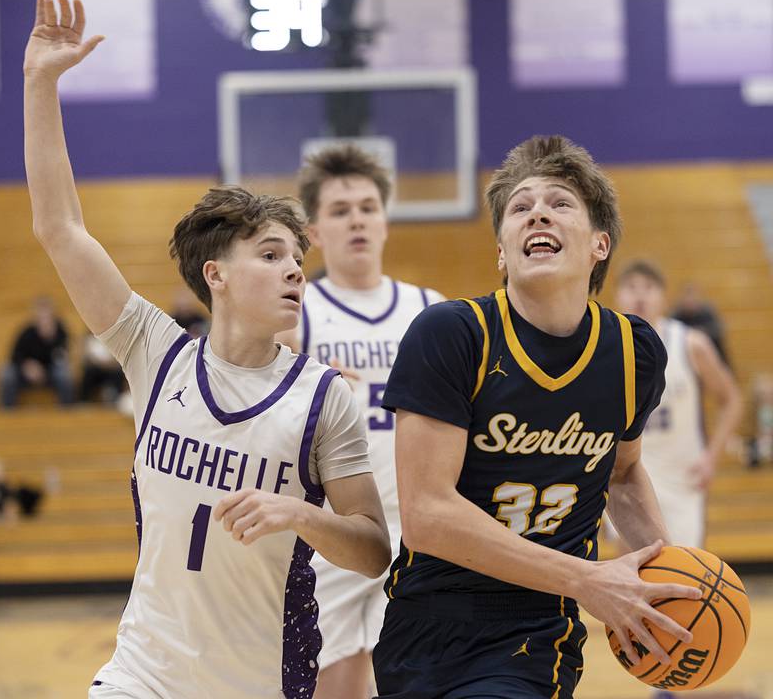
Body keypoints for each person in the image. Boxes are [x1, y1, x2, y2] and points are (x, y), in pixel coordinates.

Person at [24, 0, 390, 699]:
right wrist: (42, 84)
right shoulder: (153, 351)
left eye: (297, 258)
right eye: (272, 254)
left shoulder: (323, 398)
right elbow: (61, 228)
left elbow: (373, 549)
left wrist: (302, 514)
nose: (294, 269)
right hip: (142, 674)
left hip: (260, 681)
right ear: (216, 275)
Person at [372, 136, 703, 698]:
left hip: (535, 628)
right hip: (428, 619)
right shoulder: (453, 334)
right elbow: (427, 512)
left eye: (560, 203)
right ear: (501, 251)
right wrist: (589, 579)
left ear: (600, 245)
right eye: (520, 208)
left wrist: (667, 586)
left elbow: (621, 474)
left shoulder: (632, 353)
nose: (537, 213)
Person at [278, 145, 443, 699]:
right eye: (341, 209)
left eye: (368, 207)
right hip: (339, 531)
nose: (357, 219)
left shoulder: (431, 310)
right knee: (335, 686)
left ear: (386, 220)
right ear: (315, 231)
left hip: (424, 529)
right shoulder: (295, 312)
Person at [616, 260, 742, 547]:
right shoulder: (606, 344)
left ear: (663, 297)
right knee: (631, 569)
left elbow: (732, 399)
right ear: (618, 295)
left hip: (682, 475)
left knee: (688, 572)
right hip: (628, 472)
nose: (640, 295)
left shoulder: (690, 343)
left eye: (648, 288)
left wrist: (712, 456)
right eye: (632, 287)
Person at [0, 296, 75, 408]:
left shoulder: (60, 331)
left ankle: (67, 411)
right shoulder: (26, 332)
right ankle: (7, 413)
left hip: (50, 372)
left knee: (63, 374)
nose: (44, 318)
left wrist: (51, 340)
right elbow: (14, 355)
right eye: (41, 314)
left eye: (47, 314)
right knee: (7, 373)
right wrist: (27, 366)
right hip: (27, 373)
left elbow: (63, 356)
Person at [671, 282, 731, 367]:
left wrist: (699, 333)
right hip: (687, 362)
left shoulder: (707, 312)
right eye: (687, 297)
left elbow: (718, 330)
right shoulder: (676, 315)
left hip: (713, 358)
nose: (690, 301)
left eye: (693, 297)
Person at [79, 333, 126, 403]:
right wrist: (99, 363)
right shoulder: (89, 339)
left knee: (118, 372)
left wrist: (107, 364)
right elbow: (86, 358)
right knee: (88, 372)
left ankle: (118, 399)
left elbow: (117, 358)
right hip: (95, 368)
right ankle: (84, 400)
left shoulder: (113, 337)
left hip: (110, 368)